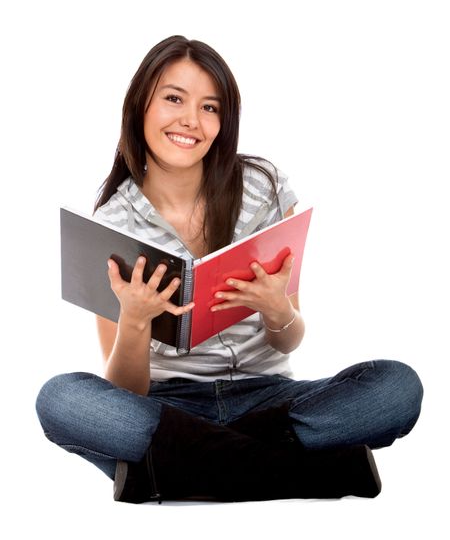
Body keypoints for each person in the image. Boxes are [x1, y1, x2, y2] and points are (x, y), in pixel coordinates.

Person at [36, 35, 423, 503]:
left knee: (396, 387)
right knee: (60, 400)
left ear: (224, 120)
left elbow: (289, 338)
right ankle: (305, 470)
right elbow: (126, 389)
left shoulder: (263, 186)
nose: (190, 121)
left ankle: (167, 472)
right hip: (169, 408)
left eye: (210, 107)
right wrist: (136, 321)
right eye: (174, 99)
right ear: (141, 104)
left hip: (273, 399)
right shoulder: (112, 224)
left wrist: (277, 307)